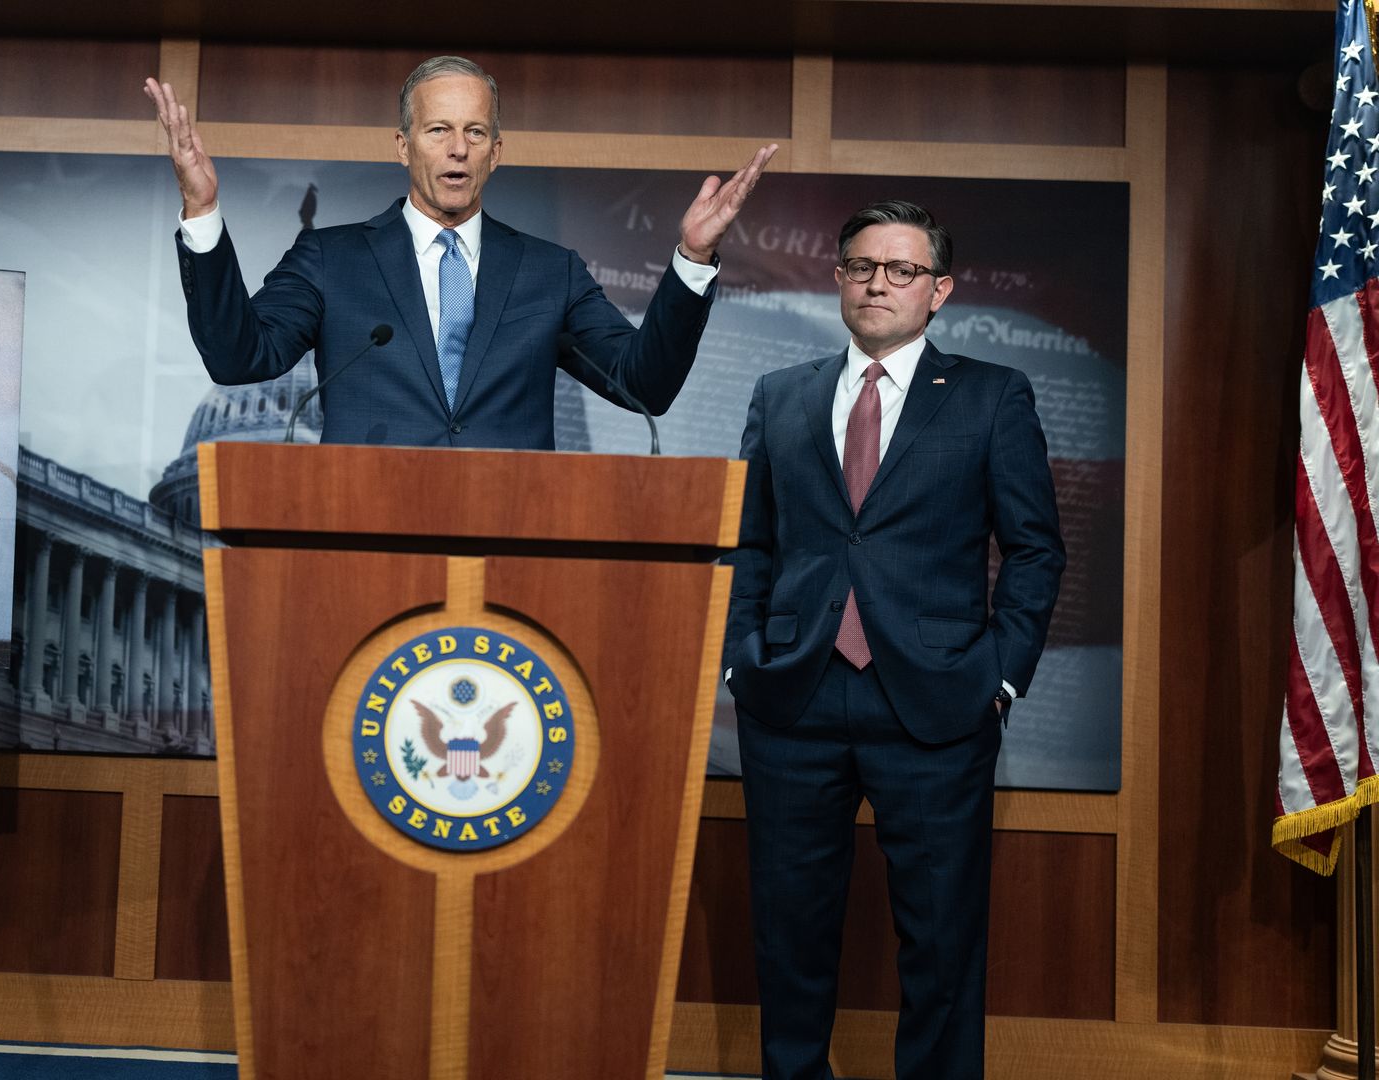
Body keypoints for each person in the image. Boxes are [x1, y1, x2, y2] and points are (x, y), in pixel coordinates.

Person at [722, 200, 1065, 1080]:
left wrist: (1001, 680)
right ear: (838, 279)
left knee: (941, 947)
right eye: (863, 266)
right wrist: (740, 659)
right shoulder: (782, 394)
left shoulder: (992, 396)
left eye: (903, 270)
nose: (880, 283)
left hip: (939, 705)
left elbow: (1034, 551)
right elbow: (749, 544)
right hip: (792, 701)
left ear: (940, 290)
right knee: (789, 938)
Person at [143, 56, 777, 448]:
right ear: (403, 145)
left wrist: (692, 258)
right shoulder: (330, 260)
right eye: (438, 130)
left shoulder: (549, 273)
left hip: (510, 548)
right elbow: (239, 356)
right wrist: (201, 212)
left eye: (475, 132)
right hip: (367, 541)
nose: (457, 148)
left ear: (496, 153)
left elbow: (644, 381)